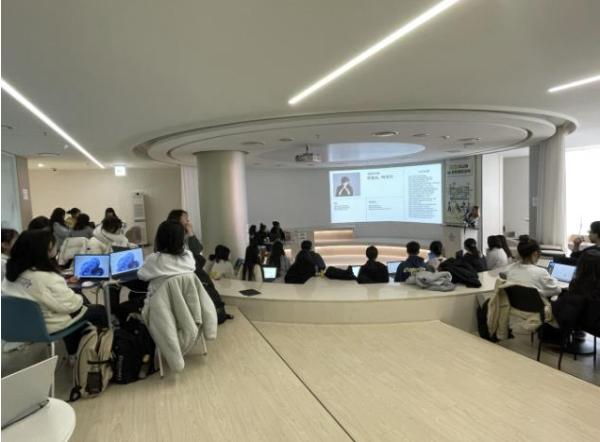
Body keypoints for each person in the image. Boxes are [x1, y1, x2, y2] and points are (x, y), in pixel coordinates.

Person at [1, 229, 107, 354]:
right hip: (45, 326)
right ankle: (101, 353)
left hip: (17, 326)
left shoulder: (10, 274)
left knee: (74, 313)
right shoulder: (47, 277)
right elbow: (72, 306)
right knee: (98, 310)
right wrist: (77, 295)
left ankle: (74, 352)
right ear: (46, 250)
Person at [137, 220, 196, 294]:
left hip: (159, 300)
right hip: (182, 299)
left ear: (159, 239)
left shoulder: (153, 260)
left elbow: (141, 275)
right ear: (182, 238)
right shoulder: (188, 256)